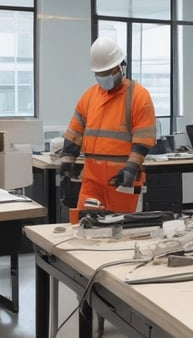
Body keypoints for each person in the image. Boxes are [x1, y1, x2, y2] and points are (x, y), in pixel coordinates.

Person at [59, 37, 156, 224]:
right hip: (92, 180)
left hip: (121, 181)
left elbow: (144, 139)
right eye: (100, 73)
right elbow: (74, 131)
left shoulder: (138, 97)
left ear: (121, 67)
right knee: (83, 226)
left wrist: (131, 167)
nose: (104, 77)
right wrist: (67, 160)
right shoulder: (89, 96)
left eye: (108, 72)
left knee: (118, 231)